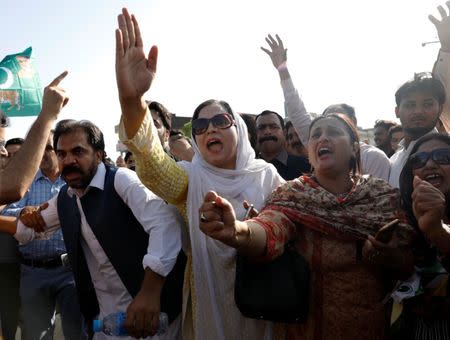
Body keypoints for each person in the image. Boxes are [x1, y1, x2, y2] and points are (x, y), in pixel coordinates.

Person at [115, 8, 284, 339]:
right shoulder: (190, 179)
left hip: (265, 307)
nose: (210, 130)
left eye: (220, 121)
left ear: (240, 129)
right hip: (209, 307)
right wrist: (131, 100)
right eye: (201, 126)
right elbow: (152, 167)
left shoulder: (268, 178)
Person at [200, 114, 416, 339]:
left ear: (354, 148)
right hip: (305, 330)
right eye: (315, 135)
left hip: (368, 328)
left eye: (333, 132)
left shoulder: (380, 197)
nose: (323, 139)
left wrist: (387, 256)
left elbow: (407, 265)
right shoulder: (293, 195)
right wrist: (236, 231)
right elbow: (270, 227)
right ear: (310, 151)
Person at [12, 119, 184, 339]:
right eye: (62, 154)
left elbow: (165, 223)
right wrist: (23, 215)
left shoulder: (121, 180)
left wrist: (149, 292)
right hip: (108, 323)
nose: (69, 160)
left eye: (78, 152)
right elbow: (26, 231)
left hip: (151, 317)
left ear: (99, 155)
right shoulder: (66, 197)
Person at [261, 34, 391, 181]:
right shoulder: (296, 195)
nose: (323, 138)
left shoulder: (374, 158)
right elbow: (297, 112)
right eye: (317, 133)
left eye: (335, 129)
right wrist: (282, 69)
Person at [2, 132, 84, 340]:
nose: (45, 153)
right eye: (41, 148)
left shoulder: (72, 182)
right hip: (32, 271)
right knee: (35, 334)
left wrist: (37, 214)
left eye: (49, 148)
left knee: (77, 332)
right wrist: (23, 212)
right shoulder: (25, 182)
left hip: (70, 271)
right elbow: (5, 210)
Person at [398, 133, 450, 339]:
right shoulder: (402, 220)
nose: (429, 164)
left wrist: (437, 230)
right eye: (418, 160)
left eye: (443, 156)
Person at [0, 72, 69, 204]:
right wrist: (48, 114)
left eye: (48, 148)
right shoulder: (27, 182)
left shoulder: (74, 179)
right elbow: (13, 187)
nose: (4, 152)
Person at [389, 73, 446, 188]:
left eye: (428, 104)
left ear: (440, 109)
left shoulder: (446, 152)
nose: (418, 111)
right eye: (410, 105)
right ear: (397, 111)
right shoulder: (394, 159)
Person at [256, 110, 310, 180]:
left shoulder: (305, 166)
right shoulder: (248, 170)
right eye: (261, 128)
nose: (267, 132)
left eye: (273, 127)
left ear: (284, 133)